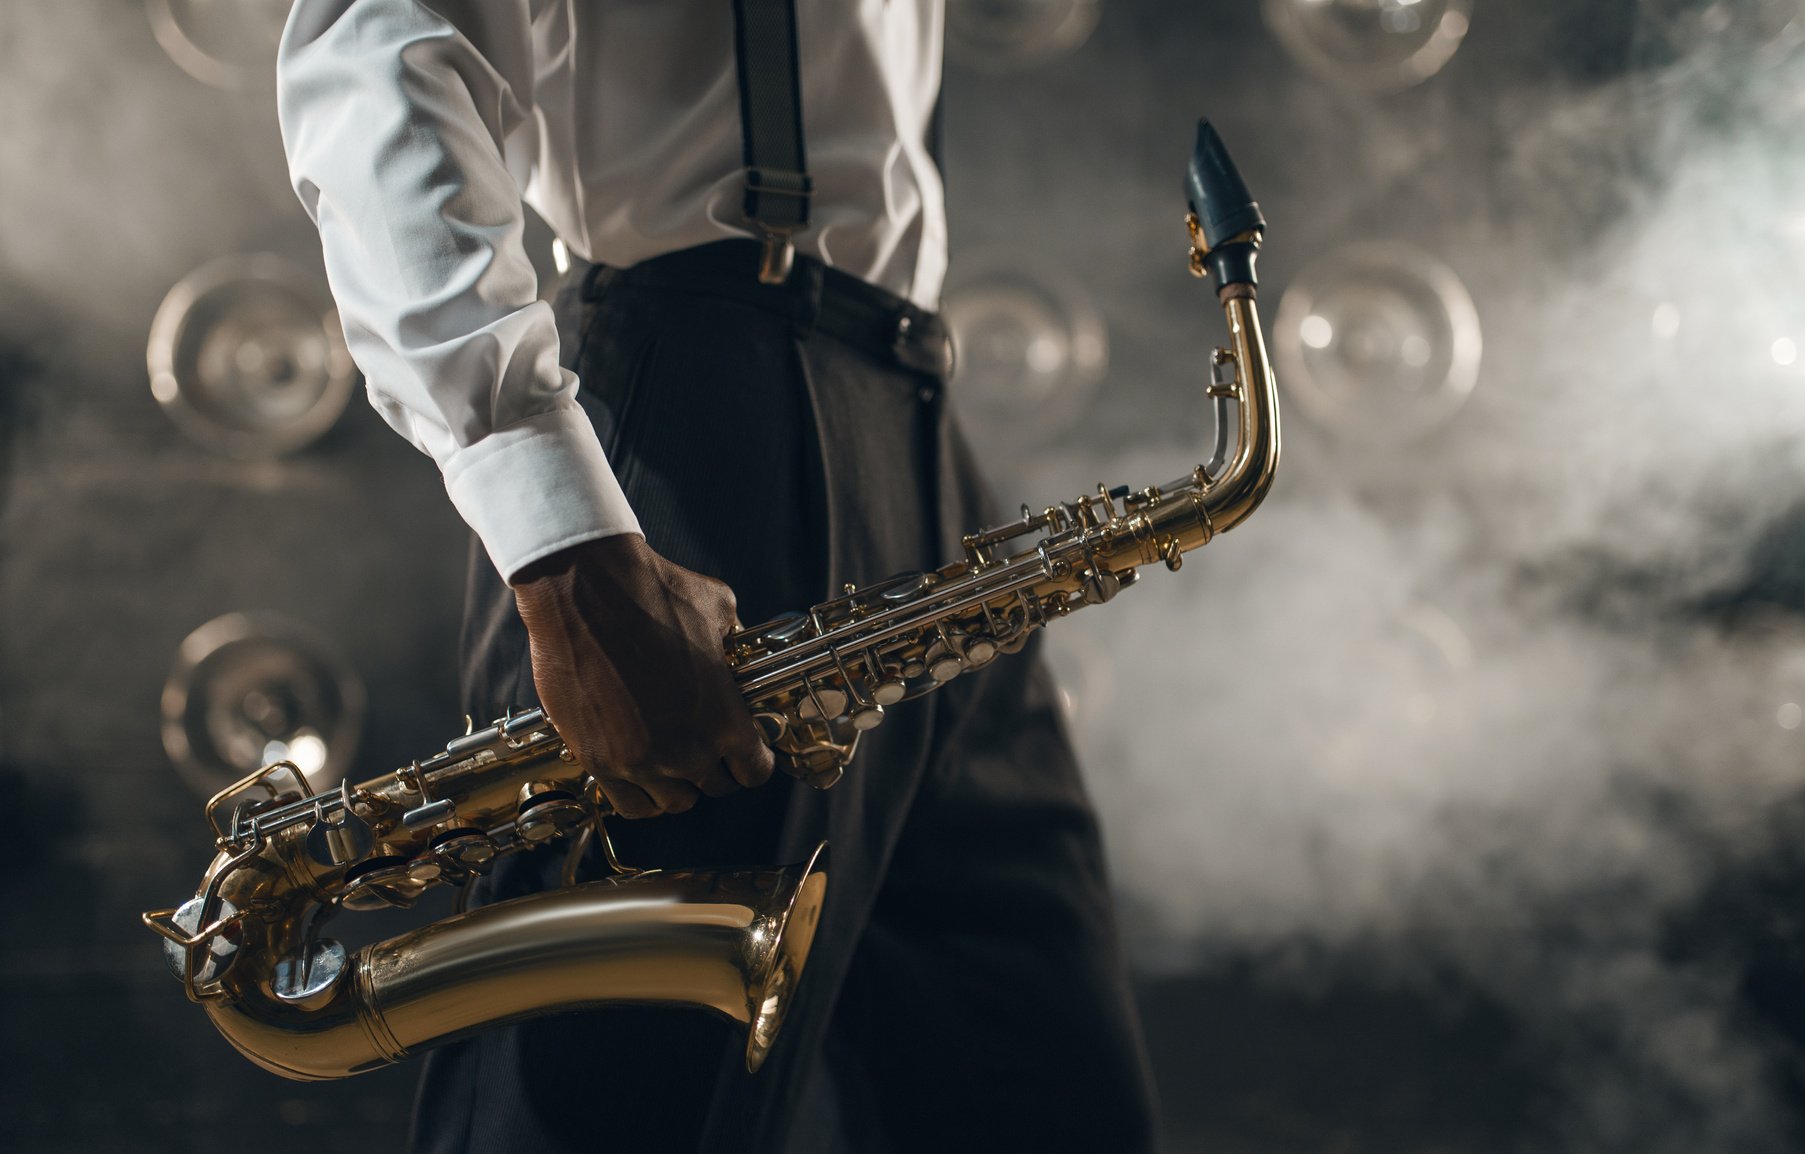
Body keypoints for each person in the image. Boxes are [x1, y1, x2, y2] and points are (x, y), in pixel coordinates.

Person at [277, 2, 1156, 1151]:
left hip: (910, 411)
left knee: (1040, 1096)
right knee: (608, 1106)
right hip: (698, 415)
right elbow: (379, 58)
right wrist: (565, 546)